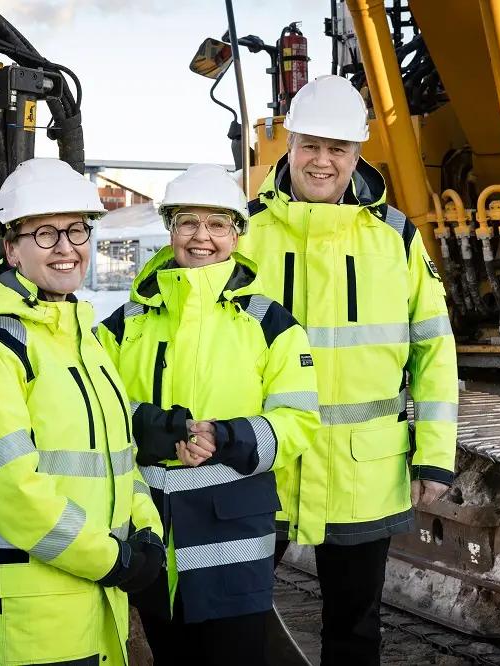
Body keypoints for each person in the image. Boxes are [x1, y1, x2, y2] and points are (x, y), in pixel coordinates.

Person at [236, 75, 459, 665]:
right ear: (289, 144)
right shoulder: (242, 233)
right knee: (234, 618)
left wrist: (435, 453)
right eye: (311, 145)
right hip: (264, 467)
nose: (322, 161)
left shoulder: (396, 238)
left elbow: (434, 350)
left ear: (358, 153)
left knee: (355, 629)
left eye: (338, 149)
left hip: (363, 472)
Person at [0, 158, 165, 666]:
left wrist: (146, 527)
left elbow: (116, 457)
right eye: (44, 234)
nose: (66, 248)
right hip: (29, 612)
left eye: (76, 230)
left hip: (94, 598)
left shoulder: (84, 339)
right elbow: (11, 491)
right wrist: (113, 560)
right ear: (11, 248)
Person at [96, 164, 320, 666]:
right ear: (170, 230)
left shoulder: (270, 323)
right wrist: (151, 428)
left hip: (233, 543)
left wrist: (225, 437)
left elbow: (299, 420)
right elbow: (91, 406)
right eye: (188, 223)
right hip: (152, 536)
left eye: (217, 224)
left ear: (237, 234)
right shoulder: (124, 323)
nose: (202, 238)